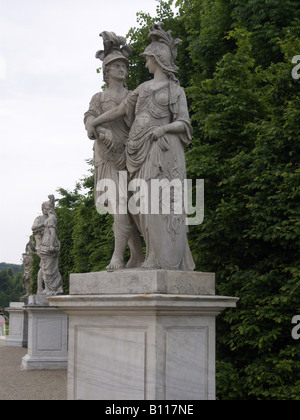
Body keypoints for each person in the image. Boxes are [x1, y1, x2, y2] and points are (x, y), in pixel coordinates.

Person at [87, 23, 195, 271]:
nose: (142, 64)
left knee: (145, 203)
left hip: (151, 152)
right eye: (117, 65)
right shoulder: (133, 91)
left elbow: (182, 122)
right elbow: (111, 114)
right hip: (128, 154)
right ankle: (139, 256)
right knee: (130, 206)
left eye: (146, 60)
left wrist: (164, 130)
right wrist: (97, 123)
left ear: (157, 60)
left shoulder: (170, 91)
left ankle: (153, 256)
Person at [84, 31, 144, 271]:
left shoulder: (132, 96)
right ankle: (129, 256)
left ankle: (124, 257)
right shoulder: (99, 98)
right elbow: (89, 121)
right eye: (116, 65)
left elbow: (141, 124)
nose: (122, 68)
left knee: (130, 207)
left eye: (124, 65)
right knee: (118, 207)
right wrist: (100, 132)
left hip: (129, 155)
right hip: (105, 158)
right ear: (106, 71)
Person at [32, 195, 63, 295]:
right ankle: (42, 288)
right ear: (42, 209)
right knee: (44, 267)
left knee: (45, 267)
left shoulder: (51, 218)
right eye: (44, 208)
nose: (45, 209)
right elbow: (34, 227)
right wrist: (42, 225)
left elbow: (52, 232)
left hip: (48, 243)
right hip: (41, 244)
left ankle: (46, 288)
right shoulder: (40, 218)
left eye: (47, 208)